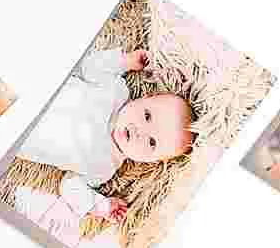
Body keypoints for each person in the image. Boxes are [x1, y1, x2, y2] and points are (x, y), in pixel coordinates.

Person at [17, 47, 197, 219]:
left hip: (23, 136)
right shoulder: (116, 91)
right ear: (144, 98)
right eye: (147, 116)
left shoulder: (104, 167)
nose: (139, 131)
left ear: (150, 161)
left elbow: (69, 186)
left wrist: (100, 206)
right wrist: (124, 61)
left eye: (152, 142)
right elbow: (88, 68)